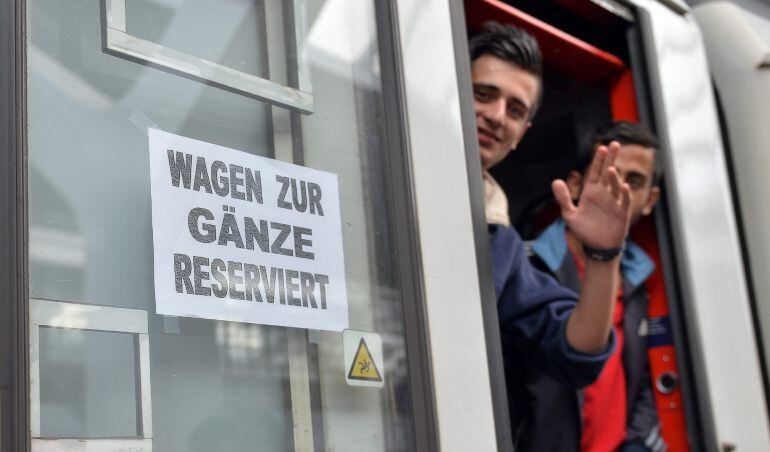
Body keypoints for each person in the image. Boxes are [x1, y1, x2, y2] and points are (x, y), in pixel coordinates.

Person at [469, 23, 632, 441]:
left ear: (522, 135)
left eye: (516, 110)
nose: (496, 116)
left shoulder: (498, 241)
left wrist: (603, 254)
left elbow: (573, 353)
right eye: (483, 94)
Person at [521, 121, 665, 452]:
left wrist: (639, 444)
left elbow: (639, 375)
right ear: (575, 185)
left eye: (635, 181)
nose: (621, 191)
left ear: (650, 200)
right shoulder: (526, 267)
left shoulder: (640, 282)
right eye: (609, 176)